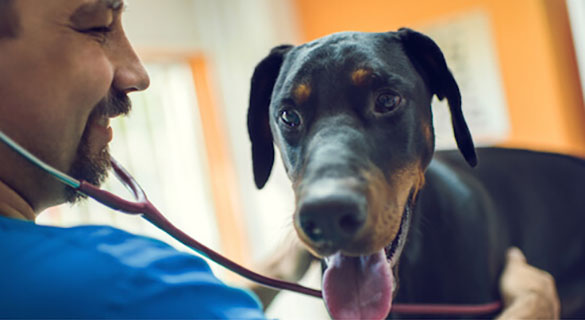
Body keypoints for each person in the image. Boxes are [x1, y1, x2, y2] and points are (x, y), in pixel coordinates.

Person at [0, 0, 560, 318]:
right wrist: (532, 308)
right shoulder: (128, 290)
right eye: (96, 25)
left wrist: (271, 271)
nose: (139, 73)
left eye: (386, 102)